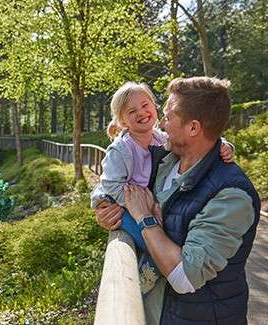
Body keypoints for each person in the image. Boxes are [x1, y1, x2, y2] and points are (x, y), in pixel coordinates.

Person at [96, 77, 260, 324]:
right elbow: (113, 181)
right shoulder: (167, 158)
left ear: (193, 128)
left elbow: (185, 278)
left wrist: (143, 217)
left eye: (168, 117)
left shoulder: (231, 194)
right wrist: (106, 208)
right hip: (161, 311)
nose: (161, 123)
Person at [90, 81, 234, 292]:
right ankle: (146, 275)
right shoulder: (121, 149)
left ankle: (158, 269)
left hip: (146, 203)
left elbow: (203, 137)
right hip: (125, 204)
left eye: (145, 105)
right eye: (132, 111)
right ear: (122, 121)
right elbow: (109, 184)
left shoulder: (161, 137)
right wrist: (134, 205)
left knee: (158, 234)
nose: (142, 112)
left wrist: (224, 144)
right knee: (147, 240)